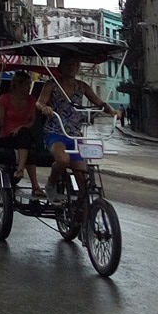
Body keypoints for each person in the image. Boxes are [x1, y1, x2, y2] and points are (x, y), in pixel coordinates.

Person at [36, 54, 118, 204]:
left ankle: (84, 216)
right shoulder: (51, 84)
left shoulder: (82, 86)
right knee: (63, 160)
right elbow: (39, 102)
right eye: (68, 64)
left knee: (83, 178)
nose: (71, 67)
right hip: (55, 132)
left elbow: (99, 103)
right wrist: (45, 108)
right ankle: (51, 184)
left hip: (75, 134)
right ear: (61, 67)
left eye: (74, 64)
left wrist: (112, 111)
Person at [0, 71, 43, 197]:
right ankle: (33, 183)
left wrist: (20, 127)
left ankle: (21, 171)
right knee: (27, 144)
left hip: (24, 135)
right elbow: (1, 121)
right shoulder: (4, 99)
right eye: (26, 85)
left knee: (24, 134)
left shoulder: (32, 100)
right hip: (7, 136)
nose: (28, 88)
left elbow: (32, 122)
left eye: (29, 85)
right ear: (17, 85)